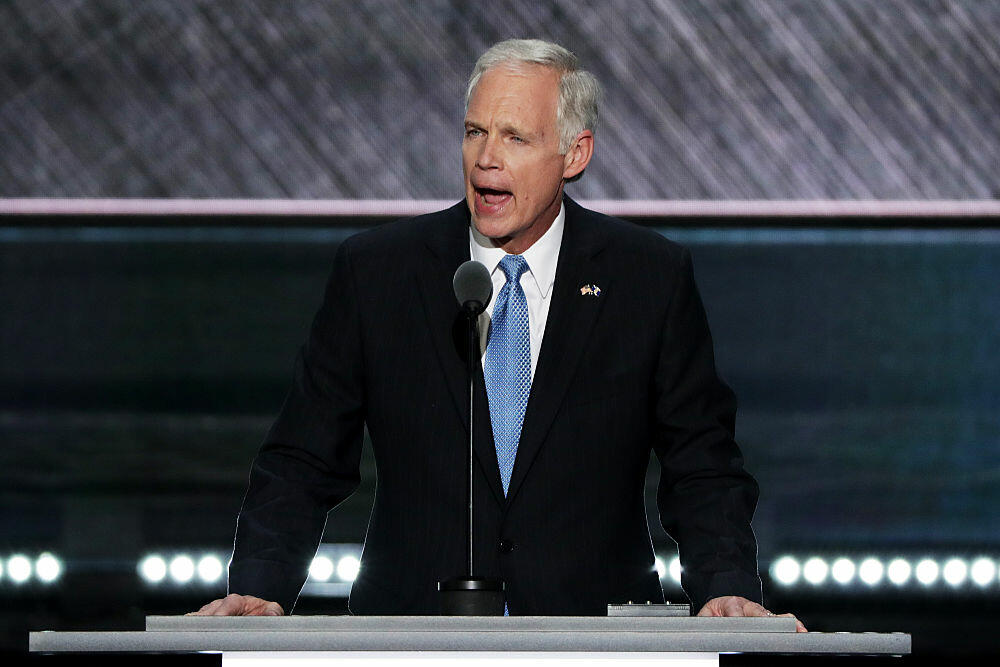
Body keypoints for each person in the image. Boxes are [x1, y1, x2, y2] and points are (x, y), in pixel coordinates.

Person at [193, 38, 804, 630]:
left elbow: (702, 461)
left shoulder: (647, 277)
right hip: (412, 637)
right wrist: (260, 583)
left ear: (574, 154)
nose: (487, 158)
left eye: (515, 137)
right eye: (475, 132)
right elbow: (303, 455)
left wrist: (725, 584)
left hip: (593, 641)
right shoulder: (379, 272)